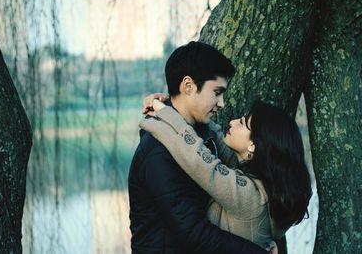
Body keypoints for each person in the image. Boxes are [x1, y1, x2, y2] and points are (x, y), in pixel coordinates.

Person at [128, 41, 270, 253]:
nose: (221, 103)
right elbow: (193, 233)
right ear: (188, 86)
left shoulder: (205, 135)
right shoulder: (158, 150)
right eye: (217, 92)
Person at [139, 98, 312, 250]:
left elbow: (196, 155)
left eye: (242, 123)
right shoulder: (264, 192)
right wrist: (179, 102)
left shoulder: (249, 197)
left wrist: (163, 111)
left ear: (253, 145)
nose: (232, 122)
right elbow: (214, 132)